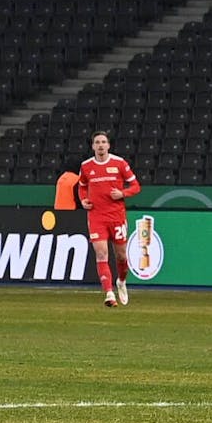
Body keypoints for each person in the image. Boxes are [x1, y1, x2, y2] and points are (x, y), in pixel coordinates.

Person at [76, 131, 141, 307]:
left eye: (103, 142)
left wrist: (122, 193)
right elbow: (81, 187)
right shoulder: (86, 166)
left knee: (120, 255)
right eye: (97, 142)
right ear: (92, 146)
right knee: (101, 253)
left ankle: (121, 281)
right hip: (97, 216)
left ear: (108, 145)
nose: (100, 145)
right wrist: (83, 200)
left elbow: (136, 186)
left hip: (117, 216)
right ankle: (109, 293)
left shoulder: (119, 163)